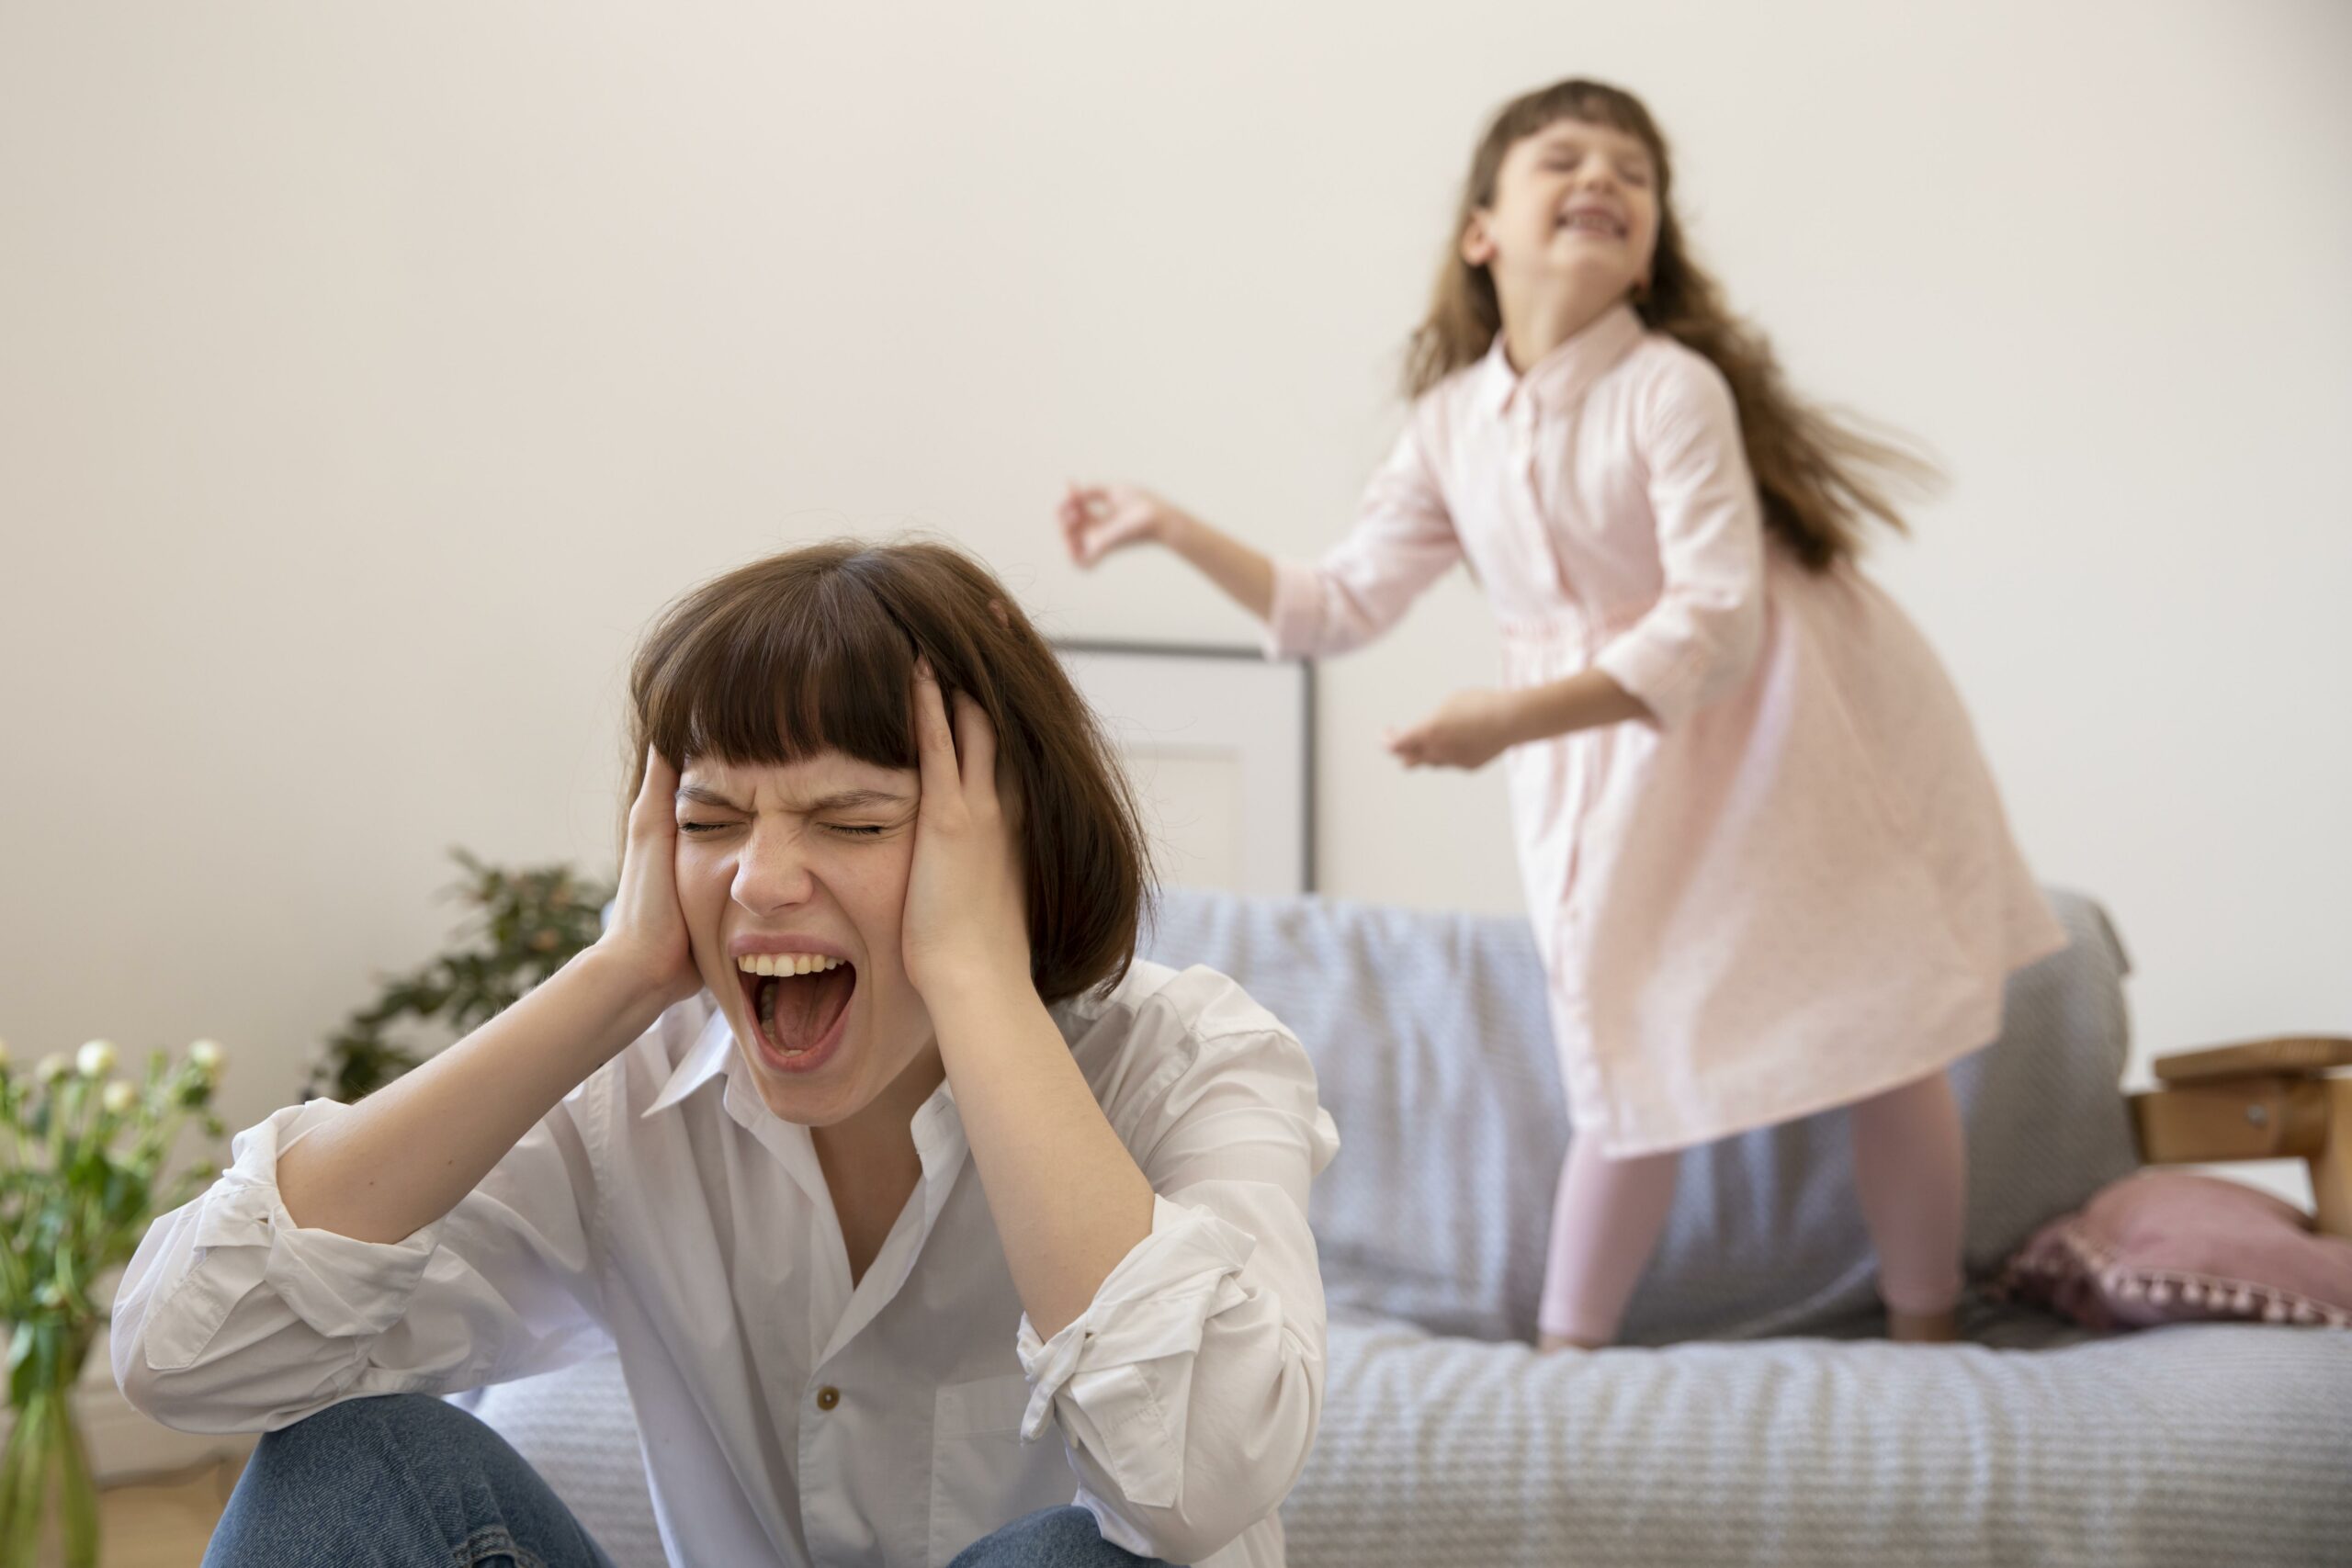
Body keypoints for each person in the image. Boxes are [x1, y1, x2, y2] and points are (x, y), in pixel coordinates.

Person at [1058, 78, 2064, 1349]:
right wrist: (1170, 525)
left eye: (1634, 174)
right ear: (1483, 230)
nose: (1605, 180)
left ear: (1650, 247)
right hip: (1611, 750)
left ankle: (1928, 1332)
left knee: (1877, 1017)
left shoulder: (1670, 388)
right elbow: (1333, 604)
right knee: (1621, 1032)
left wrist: (1508, 720)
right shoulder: (1449, 427)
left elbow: (1717, 623)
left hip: (1796, 731)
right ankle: (1565, 1352)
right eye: (1565, 160)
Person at [113, 540, 1337, 1566]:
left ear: (1005, 847)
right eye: (710, 820)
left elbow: (1201, 1484)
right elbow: (186, 1360)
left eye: (852, 820)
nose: (759, 876)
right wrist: (619, 974)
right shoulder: (628, 1095)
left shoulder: (1189, 1061)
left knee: (1080, 1558)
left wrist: (975, 975)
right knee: (364, 1466)